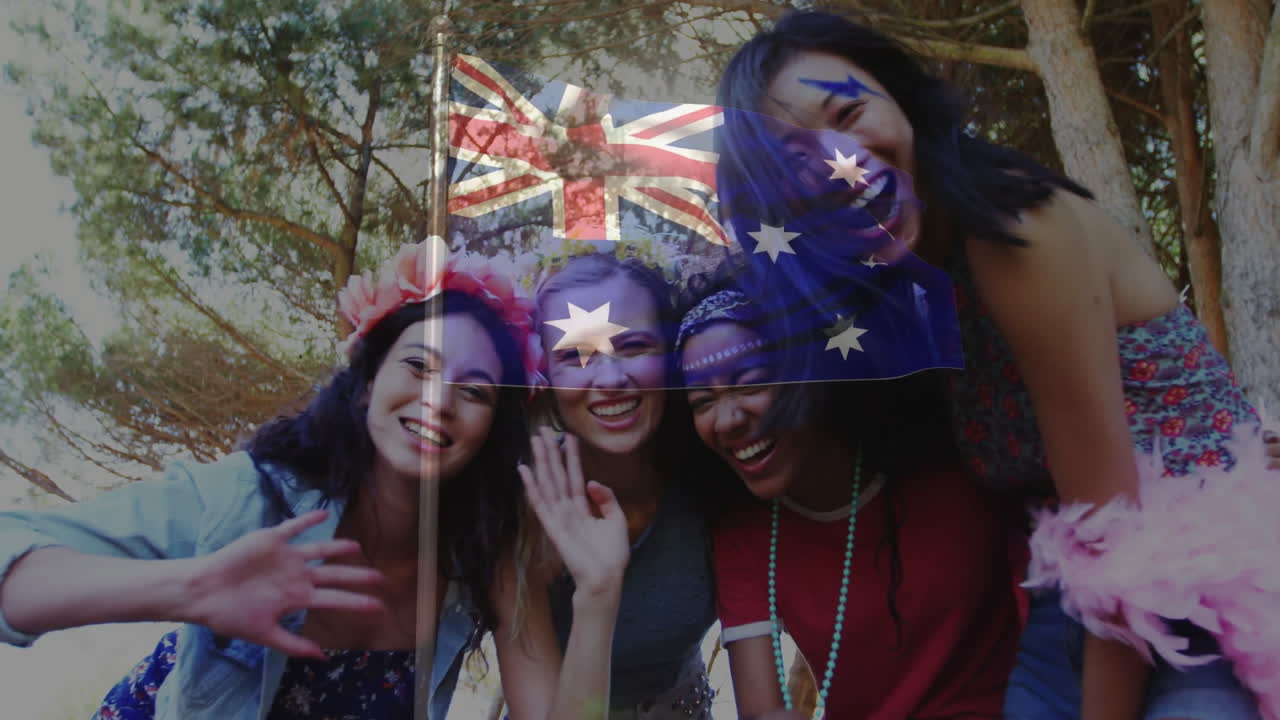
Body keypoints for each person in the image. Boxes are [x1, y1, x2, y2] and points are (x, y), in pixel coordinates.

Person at [714, 10, 1280, 720]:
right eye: (797, 164)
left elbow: (1115, 534)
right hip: (1070, 598)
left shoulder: (1015, 231)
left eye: (850, 114)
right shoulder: (898, 284)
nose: (841, 165)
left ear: (900, 97)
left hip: (1204, 581)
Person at [0, 240, 535, 719]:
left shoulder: (474, 560)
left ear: (492, 429)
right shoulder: (250, 498)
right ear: (368, 382)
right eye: (419, 365)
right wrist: (190, 588)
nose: (438, 400)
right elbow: (11, 553)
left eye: (474, 391)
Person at [676, 282, 1023, 719]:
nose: (726, 420)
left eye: (752, 384)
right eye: (702, 402)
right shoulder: (743, 526)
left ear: (812, 375)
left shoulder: (955, 461)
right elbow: (762, 710)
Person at [493, 252, 720, 720]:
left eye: (634, 347)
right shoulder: (515, 507)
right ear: (544, 376)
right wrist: (597, 592)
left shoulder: (713, 471)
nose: (611, 379)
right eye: (575, 356)